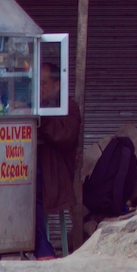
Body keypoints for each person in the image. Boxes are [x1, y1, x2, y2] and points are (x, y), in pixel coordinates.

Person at [34, 58, 81, 259]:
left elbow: (65, 136)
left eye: (43, 84)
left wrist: (40, 119)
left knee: (29, 194)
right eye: (36, 84)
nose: (39, 89)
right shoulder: (32, 107)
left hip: (54, 178)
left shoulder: (68, 107)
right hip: (31, 170)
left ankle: (42, 248)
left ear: (57, 85)